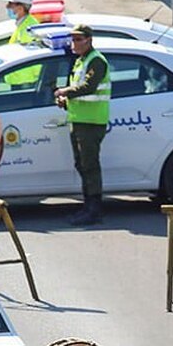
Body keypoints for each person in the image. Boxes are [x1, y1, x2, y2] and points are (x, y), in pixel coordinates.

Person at [53, 25, 111, 227]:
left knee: (90, 165)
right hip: (78, 119)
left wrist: (65, 92)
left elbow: (89, 87)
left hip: (91, 122)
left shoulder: (96, 60)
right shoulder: (80, 61)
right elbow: (81, 92)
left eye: (78, 39)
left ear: (89, 40)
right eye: (73, 39)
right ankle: (88, 206)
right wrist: (66, 101)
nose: (74, 43)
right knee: (82, 164)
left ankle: (94, 209)